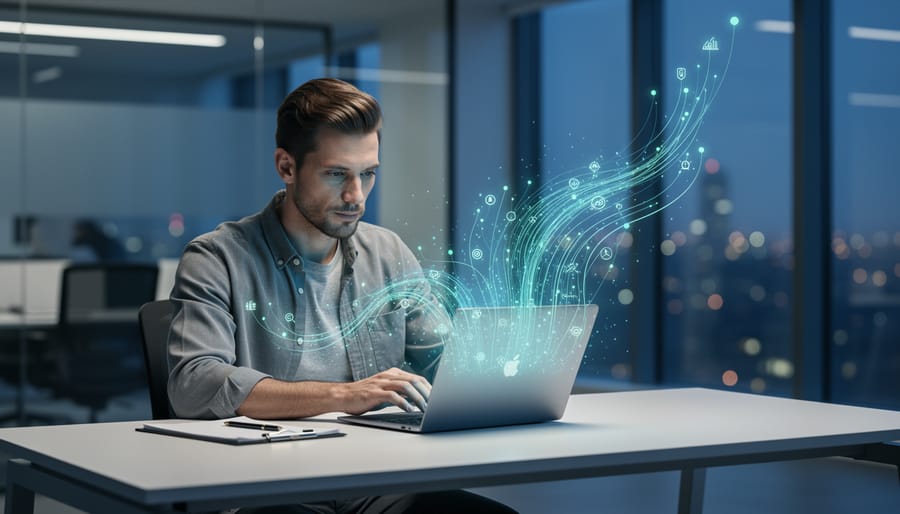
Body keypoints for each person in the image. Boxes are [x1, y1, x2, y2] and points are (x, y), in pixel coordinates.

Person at [167, 78, 516, 514]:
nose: (356, 196)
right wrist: (344, 395)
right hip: (270, 488)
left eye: (368, 174)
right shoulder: (217, 257)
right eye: (336, 175)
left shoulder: (387, 252)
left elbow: (446, 362)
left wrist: (498, 375)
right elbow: (194, 383)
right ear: (286, 166)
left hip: (378, 483)